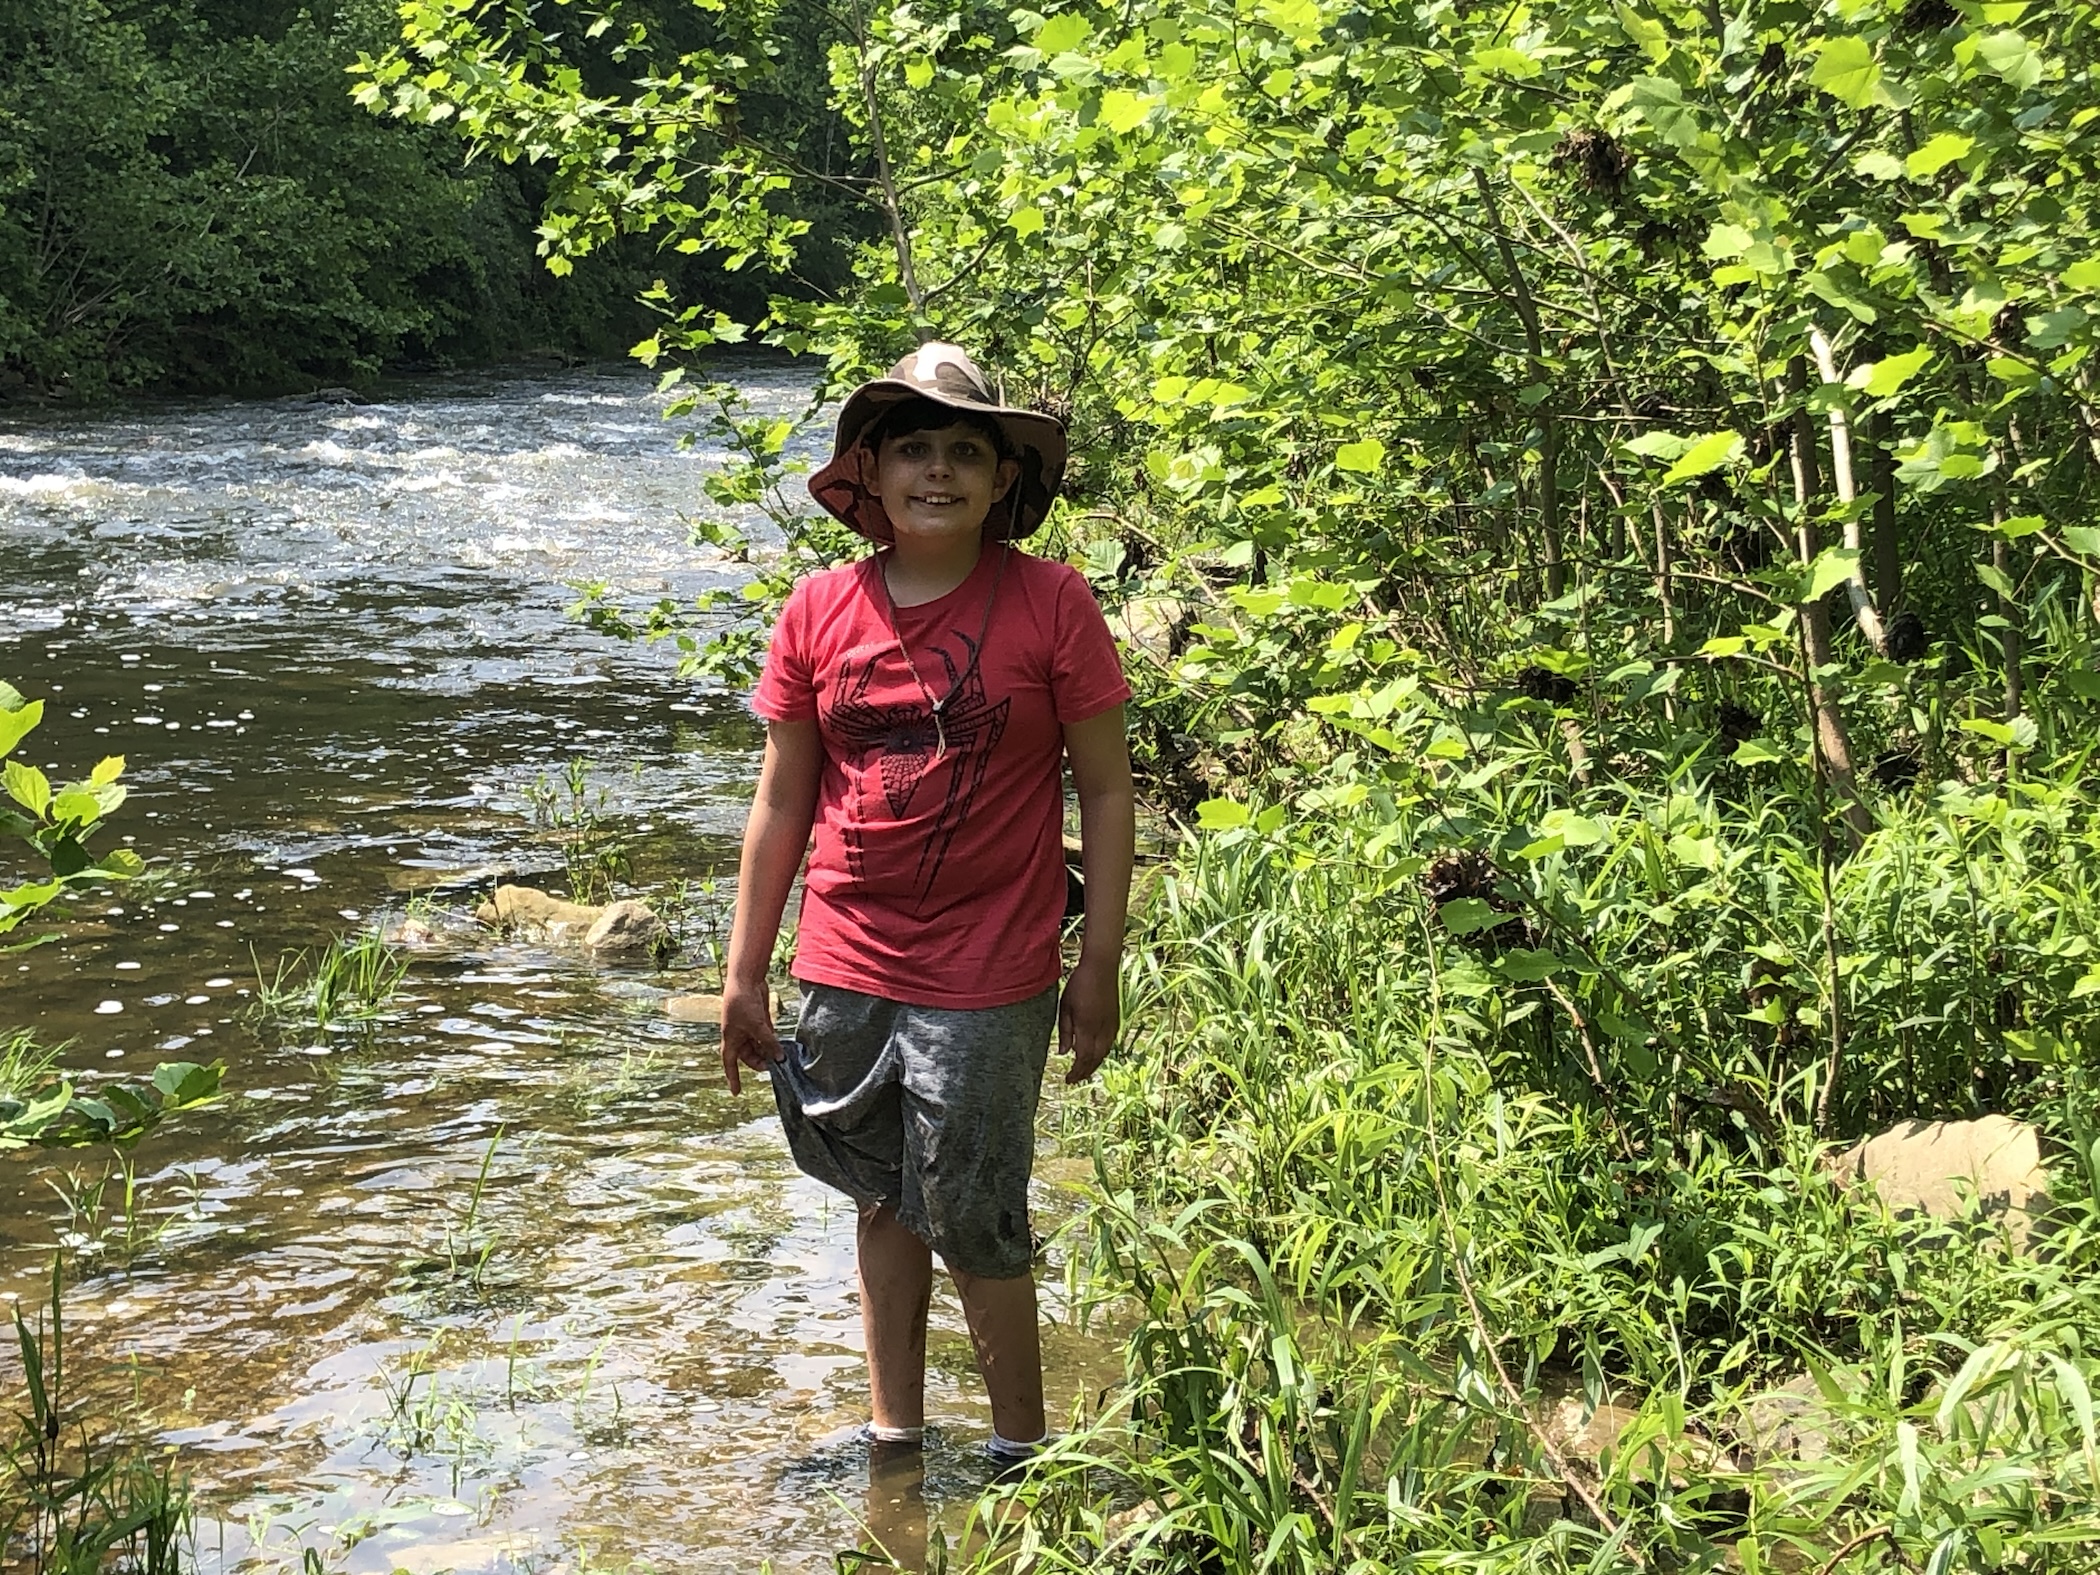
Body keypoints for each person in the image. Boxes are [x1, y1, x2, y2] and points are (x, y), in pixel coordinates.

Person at [717, 342, 1135, 1463]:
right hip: (845, 955)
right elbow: (782, 798)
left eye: (964, 451)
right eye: (913, 449)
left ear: (1003, 480)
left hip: (991, 966)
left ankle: (1019, 1455)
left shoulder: (1053, 602)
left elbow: (1105, 786)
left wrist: (1097, 961)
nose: (937, 470)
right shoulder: (820, 609)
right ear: (872, 472)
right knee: (882, 1195)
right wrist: (744, 972)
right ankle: (893, 1437)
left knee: (979, 1212)